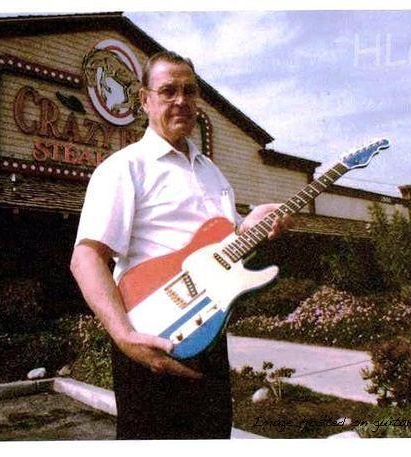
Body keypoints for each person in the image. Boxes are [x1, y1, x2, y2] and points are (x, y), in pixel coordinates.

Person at [70, 51, 292, 440]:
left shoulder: (211, 172)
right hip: (148, 341)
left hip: (210, 339)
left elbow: (220, 254)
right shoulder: (124, 167)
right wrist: (124, 336)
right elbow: (86, 257)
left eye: (190, 91)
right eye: (168, 90)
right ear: (144, 99)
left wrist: (252, 227)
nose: (181, 100)